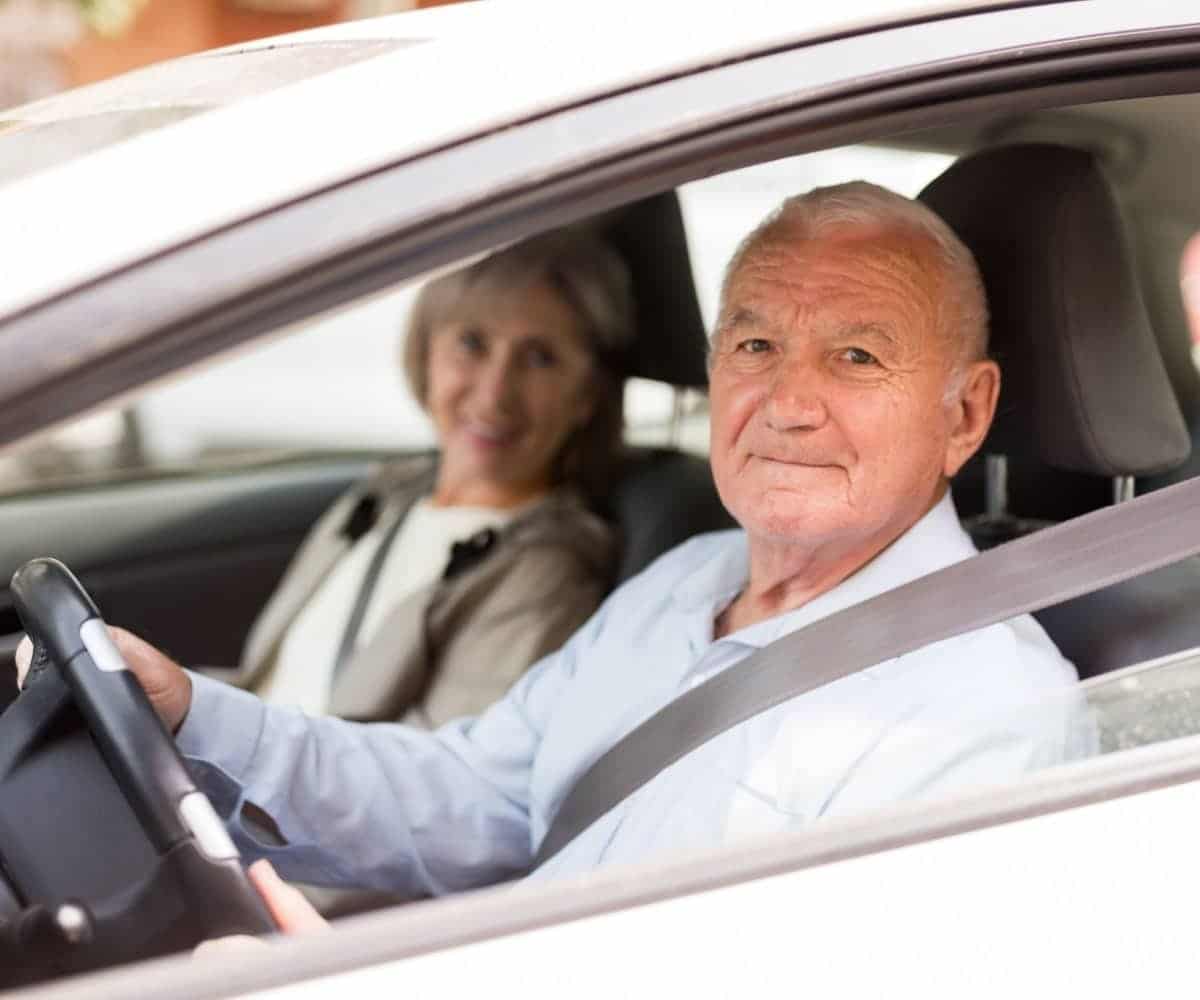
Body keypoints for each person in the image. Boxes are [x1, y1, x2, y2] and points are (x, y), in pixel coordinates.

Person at [16, 182, 1084, 926]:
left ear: (965, 413)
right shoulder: (684, 580)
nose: (788, 403)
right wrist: (194, 718)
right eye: (757, 344)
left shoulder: (987, 709)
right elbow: (471, 794)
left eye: (857, 355)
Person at [233, 232, 633, 726]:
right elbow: (267, 685)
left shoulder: (545, 571)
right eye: (471, 343)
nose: (494, 396)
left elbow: (431, 784)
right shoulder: (382, 496)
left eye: (539, 358)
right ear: (426, 354)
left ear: (587, 397)